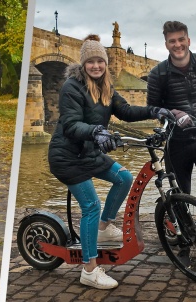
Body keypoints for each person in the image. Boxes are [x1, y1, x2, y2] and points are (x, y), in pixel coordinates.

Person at [48, 34, 167, 289]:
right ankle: (89, 270)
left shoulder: (106, 88)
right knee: (91, 205)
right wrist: (95, 132)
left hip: (89, 153)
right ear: (83, 64)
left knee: (124, 178)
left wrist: (153, 110)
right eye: (90, 61)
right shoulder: (72, 87)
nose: (96, 66)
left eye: (99, 61)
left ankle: (103, 226)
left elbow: (125, 112)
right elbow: (70, 124)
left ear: (104, 63)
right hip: (67, 157)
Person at [147, 20, 196, 196]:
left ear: (188, 41)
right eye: (172, 41)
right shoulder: (157, 74)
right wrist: (172, 113)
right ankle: (184, 224)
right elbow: (152, 108)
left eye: (181, 39)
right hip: (177, 142)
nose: (177, 45)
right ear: (166, 44)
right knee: (180, 195)